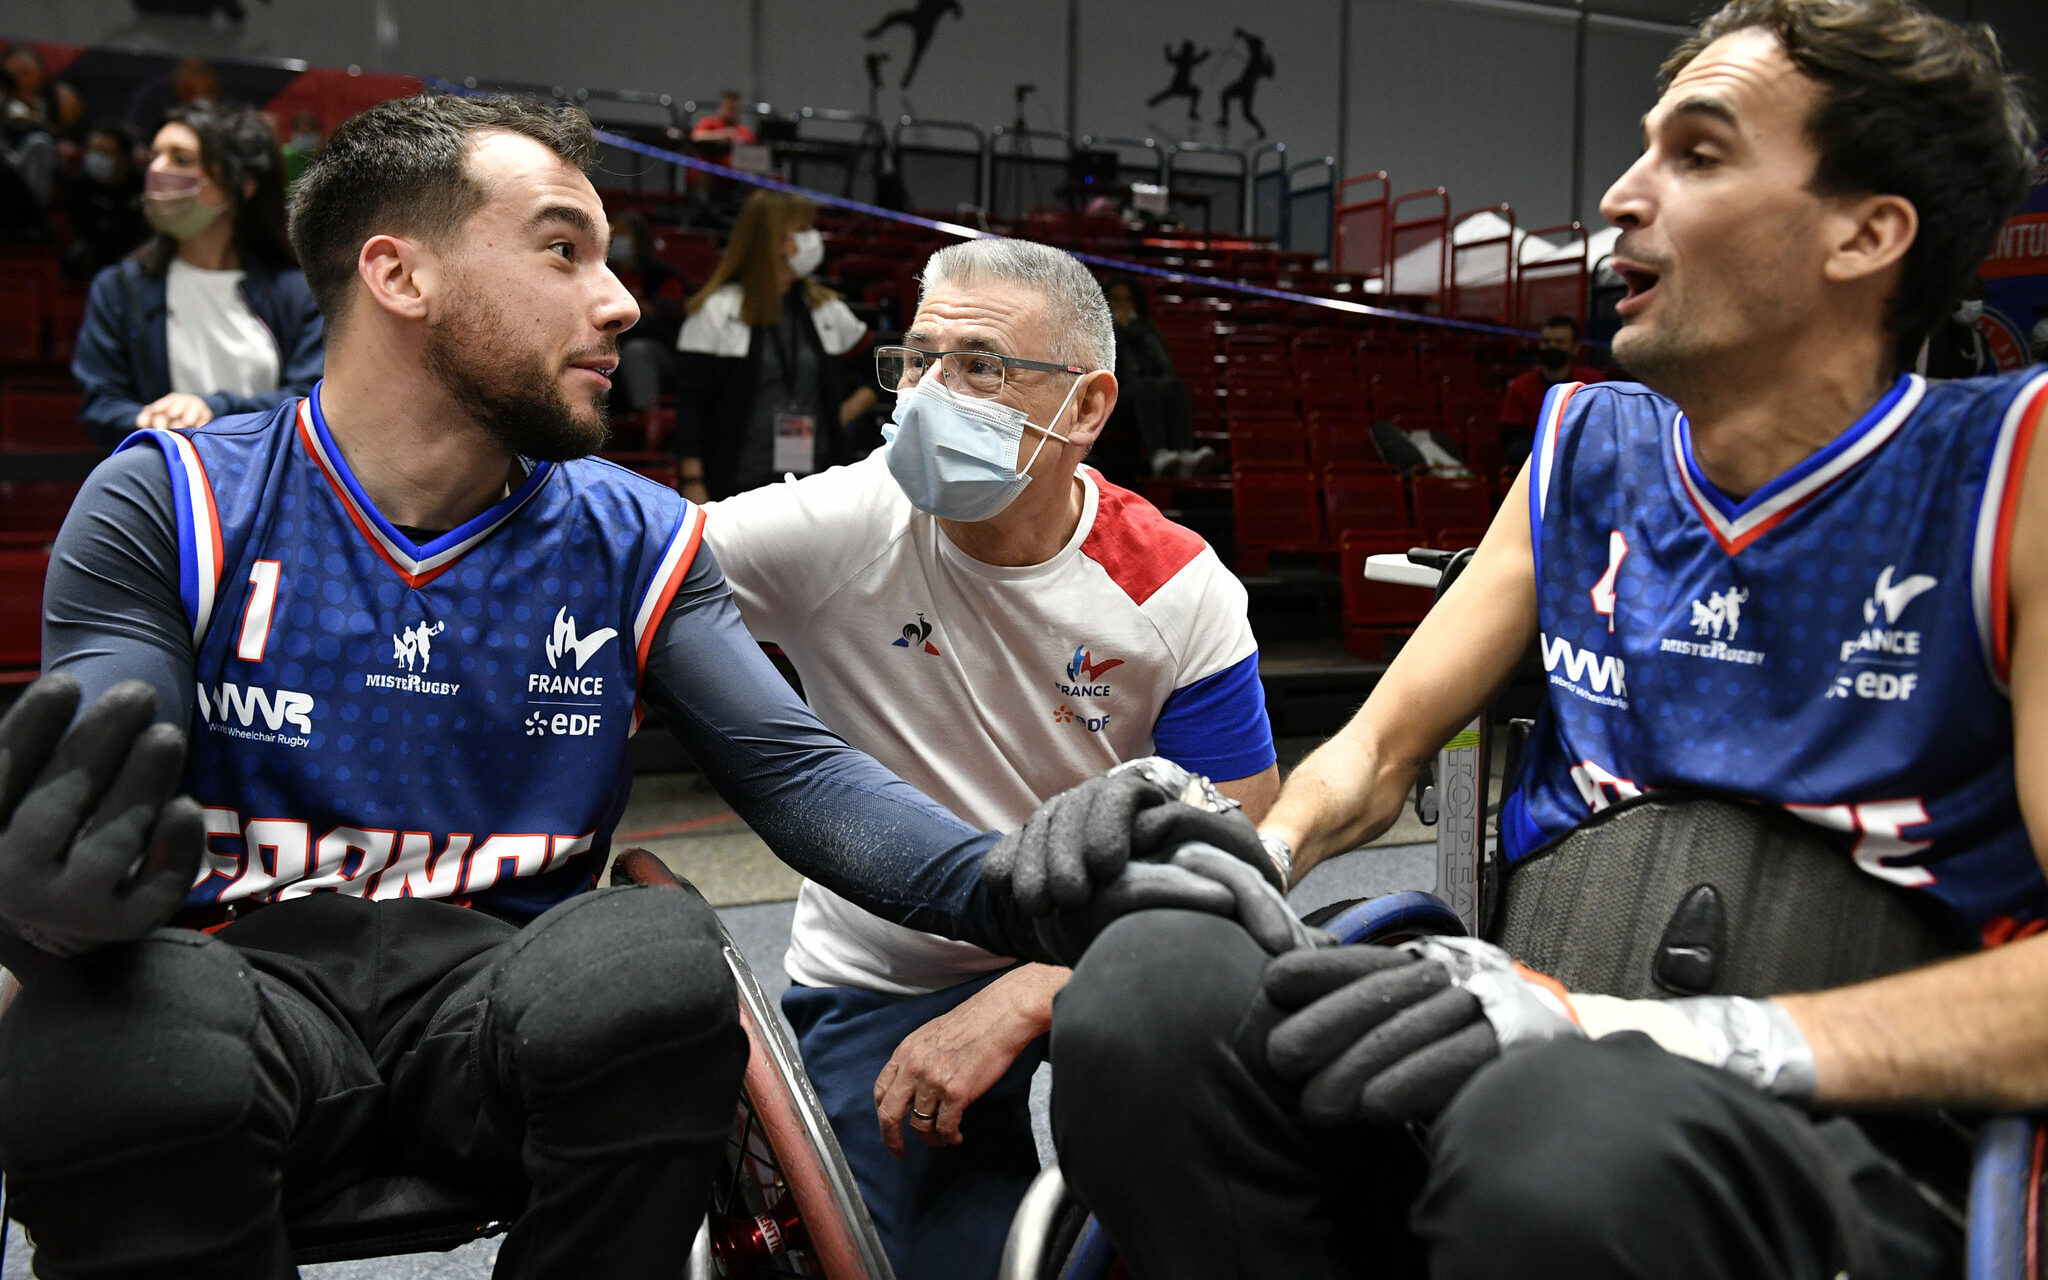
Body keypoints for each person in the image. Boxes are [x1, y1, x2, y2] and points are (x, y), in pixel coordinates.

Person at [986, 1, 2048, 1276]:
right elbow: (1372, 755)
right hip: (1507, 1065)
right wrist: (1239, 847)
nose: (1619, 192)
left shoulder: (2010, 473)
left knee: (1564, 1137)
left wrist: (1619, 1036)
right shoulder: (1582, 448)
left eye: (1697, 154)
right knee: (1148, 990)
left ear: (1864, 232)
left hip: (1831, 1142)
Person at [0, 90, 1066, 1280]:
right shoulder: (174, 500)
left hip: (500, 1014)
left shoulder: (634, 533)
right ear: (400, 275)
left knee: (655, 962)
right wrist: (53, 902)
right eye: (565, 250)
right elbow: (100, 766)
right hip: (240, 1000)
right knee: (107, 1038)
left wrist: (1023, 880)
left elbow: (798, 774)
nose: (620, 300)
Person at [703, 237, 1279, 1280]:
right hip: (885, 965)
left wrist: (1038, 987)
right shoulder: (841, 523)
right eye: (917, 358)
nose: (928, 394)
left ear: (1088, 406)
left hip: (1101, 943)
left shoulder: (1170, 586)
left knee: (1211, 1212)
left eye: (978, 364)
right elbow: (631, 570)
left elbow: (1238, 838)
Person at [71, 103, 323, 452]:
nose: (158, 169)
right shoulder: (118, 288)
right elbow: (100, 405)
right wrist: (155, 423)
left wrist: (212, 411)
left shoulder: (296, 293)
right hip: (166, 486)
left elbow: (313, 401)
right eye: (155, 155)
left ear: (242, 185)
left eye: (182, 159)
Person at [672, 189, 875, 501]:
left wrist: (840, 415)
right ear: (772, 241)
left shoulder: (826, 309)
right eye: (803, 230)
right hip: (737, 484)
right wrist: (692, 480)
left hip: (816, 485)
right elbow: (690, 408)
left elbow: (881, 370)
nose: (813, 239)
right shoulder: (716, 310)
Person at [1104, 274, 1211, 480]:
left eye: (1128, 300)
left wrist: (1136, 333)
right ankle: (1158, 454)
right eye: (1116, 300)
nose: (1123, 306)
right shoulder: (1096, 332)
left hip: (1150, 399)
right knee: (1143, 386)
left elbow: (1164, 368)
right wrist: (1119, 331)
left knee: (1172, 385)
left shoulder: (1146, 331)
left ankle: (1184, 453)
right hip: (1114, 402)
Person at [1496, 312, 1603, 464]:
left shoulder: (1593, 381)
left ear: (1575, 348)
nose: (1552, 347)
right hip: (1535, 458)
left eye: (1559, 342)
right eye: (1546, 342)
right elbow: (1510, 438)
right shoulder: (1520, 386)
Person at [609, 209, 686, 419]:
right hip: (614, 341)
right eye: (613, 234)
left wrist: (646, 307)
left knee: (636, 351)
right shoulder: (603, 272)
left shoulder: (662, 275)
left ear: (638, 239)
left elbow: (674, 310)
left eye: (624, 234)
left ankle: (647, 416)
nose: (617, 239)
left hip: (659, 347)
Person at [63, 122, 149, 279]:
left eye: (104, 152)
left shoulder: (141, 185)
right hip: (95, 253)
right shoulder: (80, 184)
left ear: (123, 158)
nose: (95, 157)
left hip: (134, 251)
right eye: (92, 151)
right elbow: (83, 226)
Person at [1916, 276, 1994, 379]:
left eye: (1978, 296)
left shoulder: (1977, 341)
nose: (1975, 303)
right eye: (1968, 296)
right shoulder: (1918, 336)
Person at [689, 91, 756, 147]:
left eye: (734, 108)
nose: (731, 112)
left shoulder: (744, 132)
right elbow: (695, 136)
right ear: (720, 108)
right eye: (728, 108)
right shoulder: (708, 123)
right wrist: (721, 135)